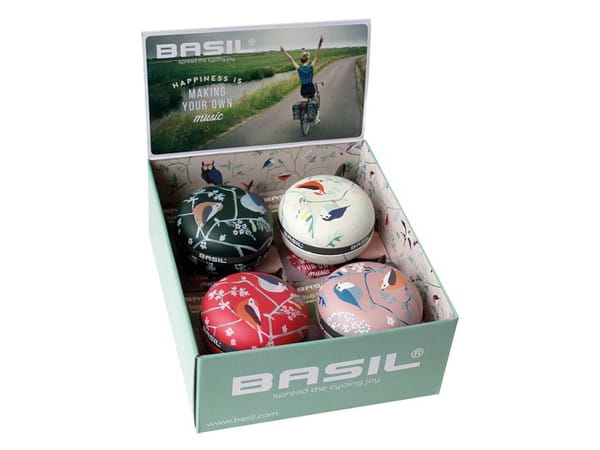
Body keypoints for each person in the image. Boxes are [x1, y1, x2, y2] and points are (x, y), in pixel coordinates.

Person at [280, 36, 324, 124]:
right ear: (308, 60)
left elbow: (290, 59)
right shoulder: (311, 67)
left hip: (303, 90)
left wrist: (283, 51)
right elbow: (317, 56)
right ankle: (316, 118)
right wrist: (319, 44)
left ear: (301, 60)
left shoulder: (299, 68)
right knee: (316, 102)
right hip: (311, 89)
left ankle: (306, 112)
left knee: (307, 99)